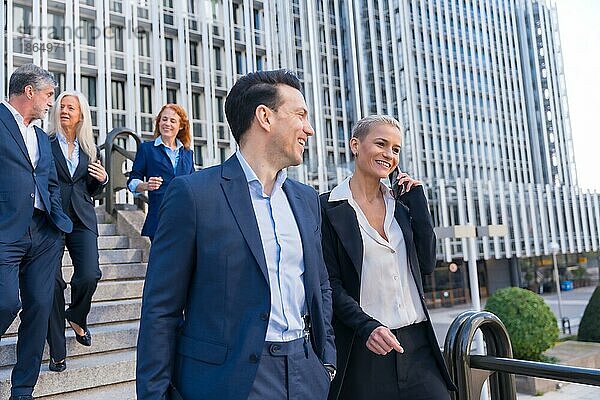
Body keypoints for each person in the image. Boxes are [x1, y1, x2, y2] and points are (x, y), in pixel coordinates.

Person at [136, 69, 336, 400]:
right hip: (229, 382)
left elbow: (321, 285)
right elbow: (161, 309)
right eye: (300, 115)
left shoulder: (307, 200)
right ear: (265, 117)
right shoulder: (193, 195)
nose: (309, 129)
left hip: (306, 376)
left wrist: (325, 363)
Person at [319, 115, 456, 400]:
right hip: (365, 349)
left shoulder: (403, 206)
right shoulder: (327, 207)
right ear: (355, 145)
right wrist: (365, 325)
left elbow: (428, 264)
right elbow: (330, 284)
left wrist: (418, 202)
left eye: (395, 149)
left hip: (418, 347)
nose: (389, 155)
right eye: (381, 144)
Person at [0, 64, 73, 400]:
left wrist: (58, 221)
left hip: (44, 234)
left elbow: (50, 181)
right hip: (6, 230)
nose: (51, 103)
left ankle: (22, 389)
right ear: (29, 91)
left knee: (41, 307)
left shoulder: (43, 138)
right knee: (5, 302)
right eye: (48, 95)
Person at [45, 91, 108, 373]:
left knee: (90, 274)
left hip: (82, 218)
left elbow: (89, 187)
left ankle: (77, 315)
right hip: (51, 219)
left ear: (81, 114)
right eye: (62, 106)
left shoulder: (90, 150)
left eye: (71, 107)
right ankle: (57, 352)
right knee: (53, 284)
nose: (65, 111)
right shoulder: (44, 144)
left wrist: (102, 180)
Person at [127, 104, 195, 240]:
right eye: (164, 119)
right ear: (158, 122)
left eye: (172, 121)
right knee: (160, 261)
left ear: (181, 126)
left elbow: (194, 184)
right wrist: (146, 185)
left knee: (184, 261)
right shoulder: (146, 149)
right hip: (159, 219)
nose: (167, 123)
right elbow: (132, 181)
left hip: (185, 219)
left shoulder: (188, 153)